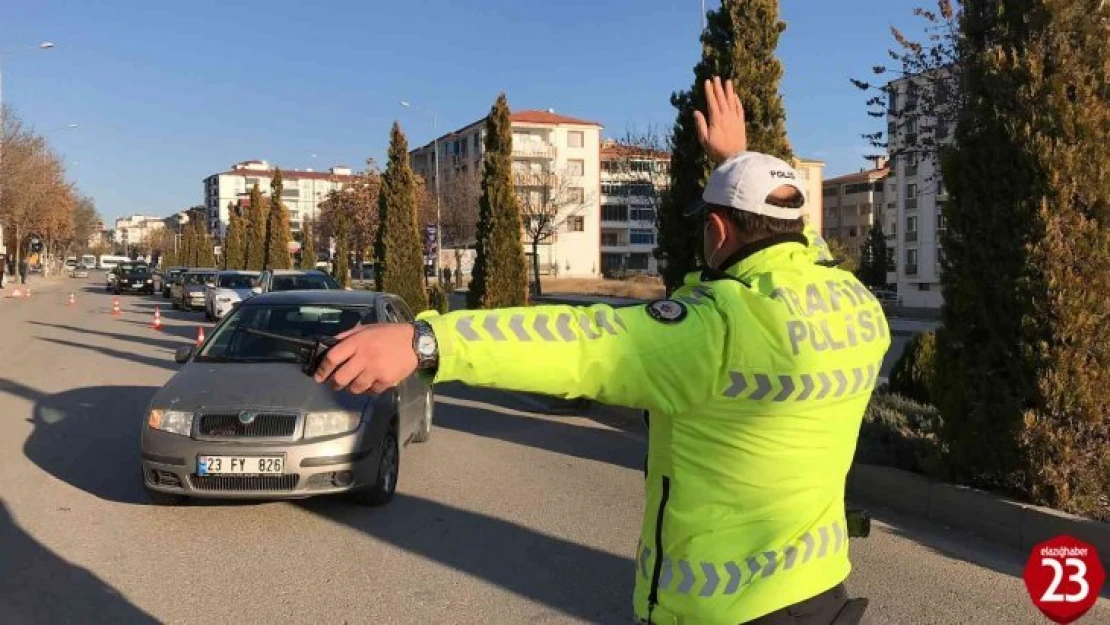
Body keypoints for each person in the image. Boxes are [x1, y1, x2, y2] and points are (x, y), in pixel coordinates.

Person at [312, 76, 890, 625]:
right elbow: (792, 239)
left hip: (727, 611)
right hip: (821, 592)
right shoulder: (856, 306)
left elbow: (580, 341)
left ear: (716, 233)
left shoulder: (718, 328)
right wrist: (736, 162)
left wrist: (427, 342)